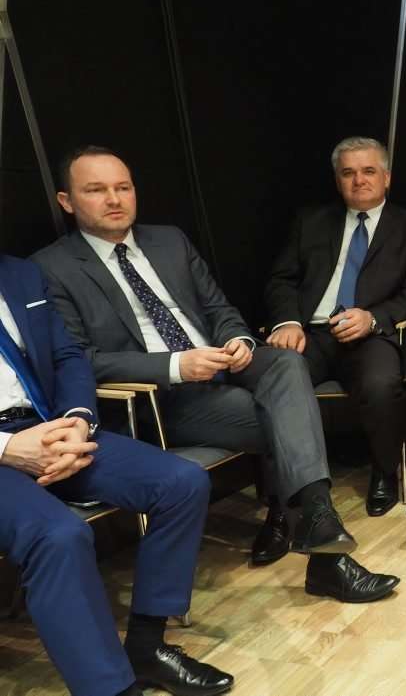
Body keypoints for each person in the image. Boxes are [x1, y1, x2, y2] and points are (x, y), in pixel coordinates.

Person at [32, 147, 398, 603]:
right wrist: (175, 366)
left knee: (287, 363)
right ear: (66, 201)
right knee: (288, 414)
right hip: (158, 398)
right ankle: (324, 551)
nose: (114, 199)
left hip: (222, 364)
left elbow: (218, 308)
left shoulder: (169, 241)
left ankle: (310, 522)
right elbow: (78, 359)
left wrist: (238, 340)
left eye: (123, 187)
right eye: (96, 190)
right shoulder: (50, 268)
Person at [0, 253, 233, 696]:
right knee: (59, 536)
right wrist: (8, 448)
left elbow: (67, 356)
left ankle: (147, 646)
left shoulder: (20, 273)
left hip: (50, 426)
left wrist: (78, 419)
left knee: (181, 483)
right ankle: (108, 688)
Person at [263, 136, 406, 516]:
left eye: (369, 171)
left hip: (372, 334)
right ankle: (286, 496)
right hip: (311, 333)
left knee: (380, 383)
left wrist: (372, 318)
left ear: (386, 177)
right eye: (348, 173)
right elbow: (281, 279)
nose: (359, 180)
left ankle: (385, 473)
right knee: (276, 384)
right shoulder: (310, 222)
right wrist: (288, 322)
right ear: (337, 179)